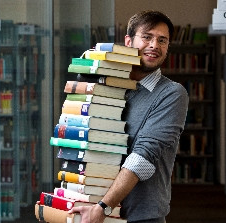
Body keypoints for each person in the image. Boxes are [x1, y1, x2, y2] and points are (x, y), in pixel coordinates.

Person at [69, 10, 189, 223]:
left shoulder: (172, 93)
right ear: (128, 41)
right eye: (147, 37)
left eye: (162, 40)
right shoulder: (109, 85)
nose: (154, 45)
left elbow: (144, 157)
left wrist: (103, 206)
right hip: (89, 209)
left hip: (139, 217)